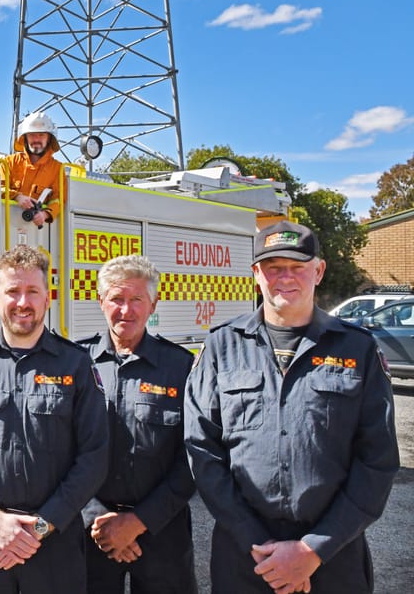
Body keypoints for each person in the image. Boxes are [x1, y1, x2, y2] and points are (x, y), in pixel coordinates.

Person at [184, 220, 400, 594]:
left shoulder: (357, 348)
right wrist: (255, 541)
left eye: (297, 266)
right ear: (256, 274)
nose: (285, 277)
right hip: (245, 556)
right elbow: (202, 450)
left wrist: (313, 549)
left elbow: (377, 460)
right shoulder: (222, 346)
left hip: (333, 556)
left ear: (318, 271)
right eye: (273, 267)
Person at [0, 244, 109, 592]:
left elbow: (94, 457)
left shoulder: (76, 364)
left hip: (54, 545)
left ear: (48, 298)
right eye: (13, 291)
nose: (22, 302)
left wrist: (39, 529)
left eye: (33, 291)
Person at [76, 255, 197, 593]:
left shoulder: (180, 367)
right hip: (91, 533)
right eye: (116, 298)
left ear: (153, 304)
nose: (126, 310)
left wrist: (138, 522)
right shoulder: (76, 363)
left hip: (163, 531)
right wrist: (96, 517)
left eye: (137, 299)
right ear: (101, 301)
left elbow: (194, 456)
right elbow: (59, 449)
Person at [0, 111, 65, 228]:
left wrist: (45, 214)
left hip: (37, 233)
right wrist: (17, 196)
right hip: (5, 227)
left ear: (49, 139)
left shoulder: (57, 169)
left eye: (41, 135)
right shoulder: (9, 162)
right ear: (24, 138)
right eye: (31, 135)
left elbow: (58, 200)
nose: (36, 139)